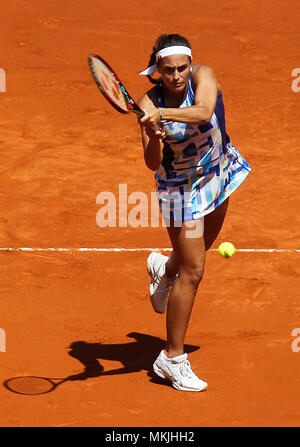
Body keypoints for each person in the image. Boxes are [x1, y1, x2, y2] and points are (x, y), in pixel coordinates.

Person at [137, 33, 251, 392]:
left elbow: (203, 111)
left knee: (192, 257)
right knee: (195, 268)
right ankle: (171, 358)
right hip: (179, 191)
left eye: (182, 68)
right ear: (157, 69)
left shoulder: (205, 76)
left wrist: (162, 114)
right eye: (168, 70)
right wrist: (153, 133)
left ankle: (163, 270)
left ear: (191, 64)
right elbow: (151, 162)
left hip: (217, 174)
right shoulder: (146, 102)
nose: (176, 76)